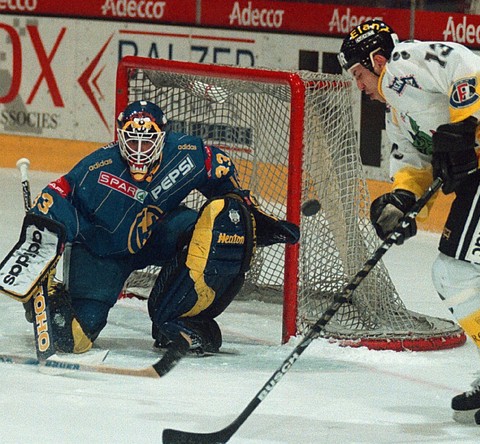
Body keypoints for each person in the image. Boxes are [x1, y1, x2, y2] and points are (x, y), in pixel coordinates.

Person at [338, 20, 480, 433]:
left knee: (455, 272)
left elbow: (465, 65)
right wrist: (401, 201)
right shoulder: (399, 111)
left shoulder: (406, 61)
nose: (360, 85)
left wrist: (464, 121)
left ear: (377, 59)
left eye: (359, 74)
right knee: (469, 273)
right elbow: (411, 164)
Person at [17, 100, 299, 355]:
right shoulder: (96, 169)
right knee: (71, 340)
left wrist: (251, 217)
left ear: (162, 138)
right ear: (120, 138)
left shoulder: (186, 155)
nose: (139, 150)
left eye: (147, 142)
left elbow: (223, 176)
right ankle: (51, 299)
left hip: (157, 234)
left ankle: (178, 318)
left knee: (223, 218)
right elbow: (52, 205)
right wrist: (38, 262)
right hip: (101, 253)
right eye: (133, 141)